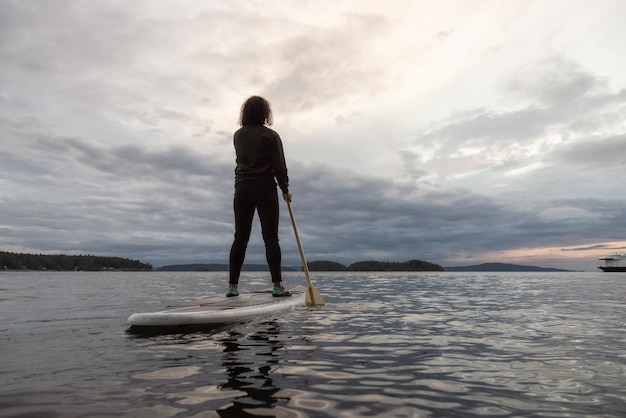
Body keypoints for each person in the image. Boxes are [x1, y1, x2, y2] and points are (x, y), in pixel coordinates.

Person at [227, 96, 292, 298]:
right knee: (271, 237)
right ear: (265, 113)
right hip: (264, 188)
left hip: (242, 188)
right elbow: (279, 166)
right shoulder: (271, 136)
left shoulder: (238, 135)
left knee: (240, 238)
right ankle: (277, 286)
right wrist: (285, 189)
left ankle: (232, 287)